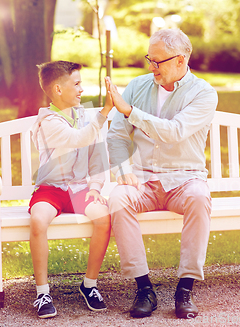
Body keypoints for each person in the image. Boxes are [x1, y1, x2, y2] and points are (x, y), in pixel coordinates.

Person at [105, 29, 218, 319]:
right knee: (118, 199)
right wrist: (122, 170)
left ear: (180, 60)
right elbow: (117, 135)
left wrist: (131, 111)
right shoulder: (137, 86)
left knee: (199, 197)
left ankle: (185, 289)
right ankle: (144, 289)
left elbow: (174, 132)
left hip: (184, 178)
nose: (151, 67)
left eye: (158, 62)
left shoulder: (203, 94)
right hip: (143, 179)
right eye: (149, 60)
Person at [29, 60, 114, 318]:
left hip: (79, 189)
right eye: (76, 84)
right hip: (51, 189)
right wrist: (105, 111)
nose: (81, 89)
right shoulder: (48, 122)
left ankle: (89, 285)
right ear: (57, 89)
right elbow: (78, 138)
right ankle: (42, 292)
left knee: (103, 218)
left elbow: (98, 156)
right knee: (38, 220)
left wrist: (96, 187)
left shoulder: (84, 116)